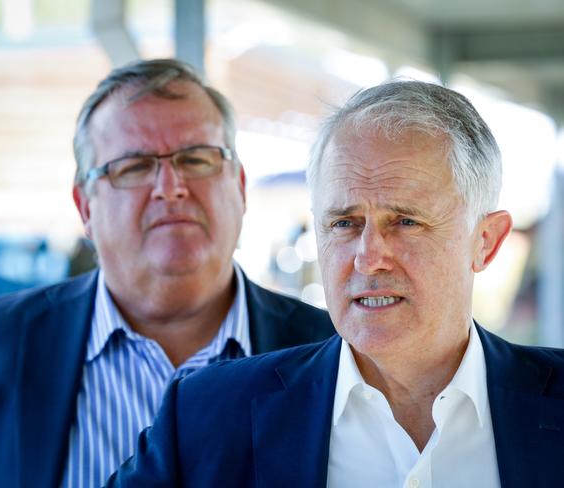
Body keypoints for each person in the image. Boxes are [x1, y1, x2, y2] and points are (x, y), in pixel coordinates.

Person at [106, 80, 564, 487]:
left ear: (485, 241)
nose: (368, 256)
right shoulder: (207, 417)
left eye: (405, 221)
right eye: (344, 223)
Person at [0, 59, 334, 488]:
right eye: (133, 167)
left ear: (240, 186)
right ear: (85, 208)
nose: (170, 186)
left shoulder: (337, 351)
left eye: (197, 159)